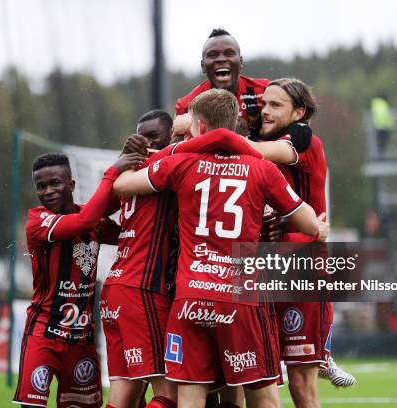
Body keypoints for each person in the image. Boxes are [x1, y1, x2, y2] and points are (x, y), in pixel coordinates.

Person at [114, 89, 328, 408]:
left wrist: (138, 156)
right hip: (239, 299)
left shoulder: (180, 163)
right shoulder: (261, 168)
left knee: (190, 394)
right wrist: (319, 229)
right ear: (236, 124)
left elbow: (122, 184)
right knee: (262, 396)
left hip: (190, 297)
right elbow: (309, 222)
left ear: (198, 127)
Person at [12, 151, 143, 408]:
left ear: (71, 184)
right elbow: (86, 219)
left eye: (55, 183)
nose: (48, 191)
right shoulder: (37, 222)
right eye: (41, 186)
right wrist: (113, 171)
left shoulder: (91, 220)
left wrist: (137, 164)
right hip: (44, 335)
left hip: (81, 340)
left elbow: (120, 221)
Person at [100, 110, 178, 408]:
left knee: (123, 397)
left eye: (152, 137)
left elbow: (102, 206)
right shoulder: (165, 164)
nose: (146, 144)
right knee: (169, 394)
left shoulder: (127, 174)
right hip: (141, 290)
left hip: (115, 290)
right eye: (141, 137)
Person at [173, 28, 269, 140]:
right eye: (213, 55)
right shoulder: (187, 105)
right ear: (203, 66)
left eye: (229, 53)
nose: (221, 59)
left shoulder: (265, 92)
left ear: (241, 62)